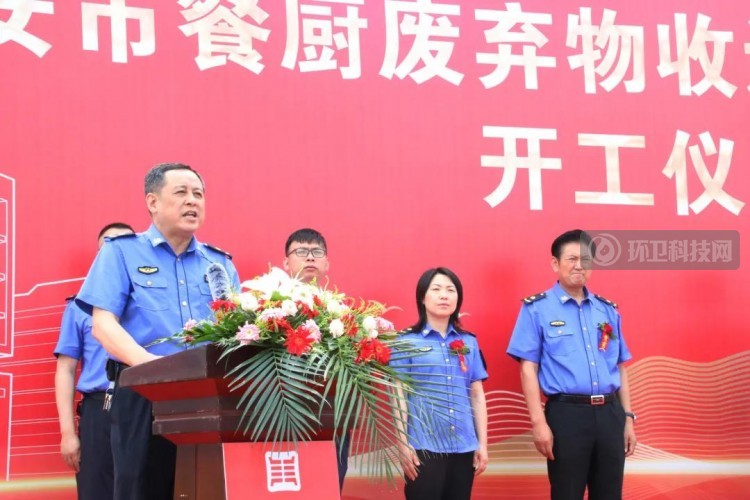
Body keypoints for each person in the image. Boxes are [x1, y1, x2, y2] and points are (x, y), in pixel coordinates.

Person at [76, 163, 240, 500]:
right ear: (152, 201)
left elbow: (236, 331)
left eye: (198, 194)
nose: (192, 201)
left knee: (207, 487)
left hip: (208, 397)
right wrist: (157, 371)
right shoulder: (121, 252)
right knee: (142, 488)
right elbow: (103, 326)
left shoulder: (219, 264)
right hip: (143, 393)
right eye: (181, 192)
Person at [506, 229, 637, 500]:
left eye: (586, 259)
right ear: (556, 263)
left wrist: (627, 418)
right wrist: (538, 422)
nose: (579, 266)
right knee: (566, 493)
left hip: (610, 414)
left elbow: (619, 367)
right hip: (567, 416)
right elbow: (528, 368)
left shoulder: (607, 310)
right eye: (572, 259)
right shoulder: (536, 309)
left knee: (610, 494)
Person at [391, 267, 489, 500]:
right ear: (422, 298)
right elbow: (398, 395)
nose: (444, 295)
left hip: (464, 445)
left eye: (450, 290)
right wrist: (403, 443)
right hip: (424, 447)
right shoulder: (406, 342)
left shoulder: (468, 342)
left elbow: (476, 395)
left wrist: (482, 444)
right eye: (436, 289)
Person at [54, 222, 134, 500]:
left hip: (146, 405)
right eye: (107, 248)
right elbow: (65, 370)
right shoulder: (79, 306)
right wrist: (68, 433)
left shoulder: (151, 305)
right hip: (100, 410)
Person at [283, 228, 352, 490]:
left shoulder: (341, 314)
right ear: (286, 263)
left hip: (331, 418)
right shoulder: (267, 307)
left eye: (317, 252)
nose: (310, 257)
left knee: (329, 487)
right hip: (283, 414)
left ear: (326, 263)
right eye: (301, 251)